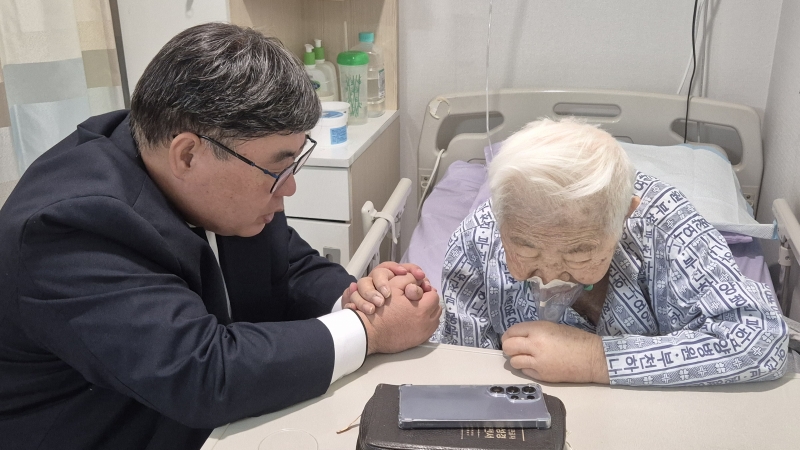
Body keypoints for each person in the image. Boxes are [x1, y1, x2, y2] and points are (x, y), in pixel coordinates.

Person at [0, 23, 440, 450]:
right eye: (278, 169)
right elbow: (201, 374)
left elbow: (289, 266)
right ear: (188, 155)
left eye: (293, 163)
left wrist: (364, 297)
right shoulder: (69, 226)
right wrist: (368, 330)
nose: (289, 187)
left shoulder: (217, 175)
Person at [434, 118, 788, 386]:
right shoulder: (479, 237)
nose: (550, 273)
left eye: (578, 253)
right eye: (526, 247)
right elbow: (460, 363)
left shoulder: (664, 225)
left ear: (625, 216)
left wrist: (596, 359)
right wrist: (412, 327)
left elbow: (761, 341)